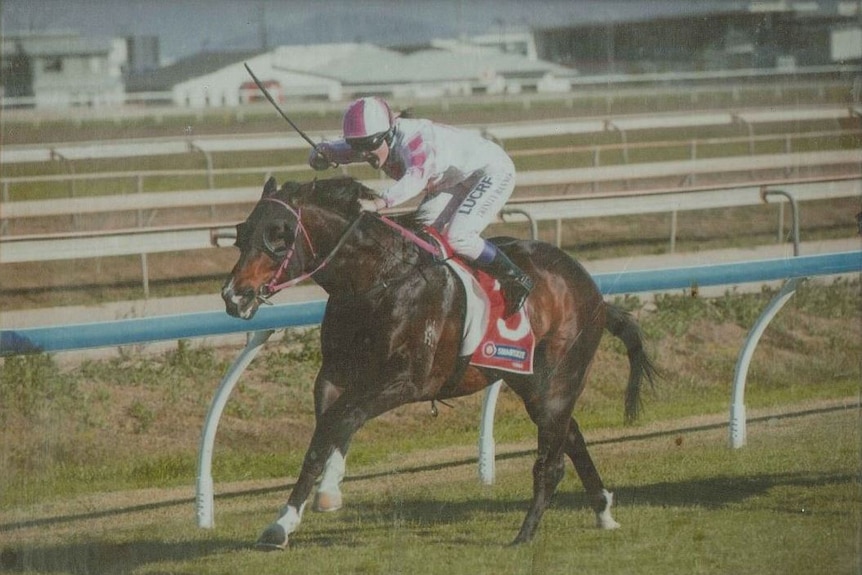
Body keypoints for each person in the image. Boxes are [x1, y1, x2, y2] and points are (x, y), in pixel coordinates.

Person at [308, 96, 533, 316]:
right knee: (425, 238)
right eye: (356, 146)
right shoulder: (376, 138)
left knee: (458, 237)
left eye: (368, 146)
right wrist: (322, 153)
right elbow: (334, 149)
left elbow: (415, 179)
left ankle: (515, 278)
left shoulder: (415, 142)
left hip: (491, 172)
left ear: (388, 135)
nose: (363, 154)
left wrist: (378, 202)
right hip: (454, 180)